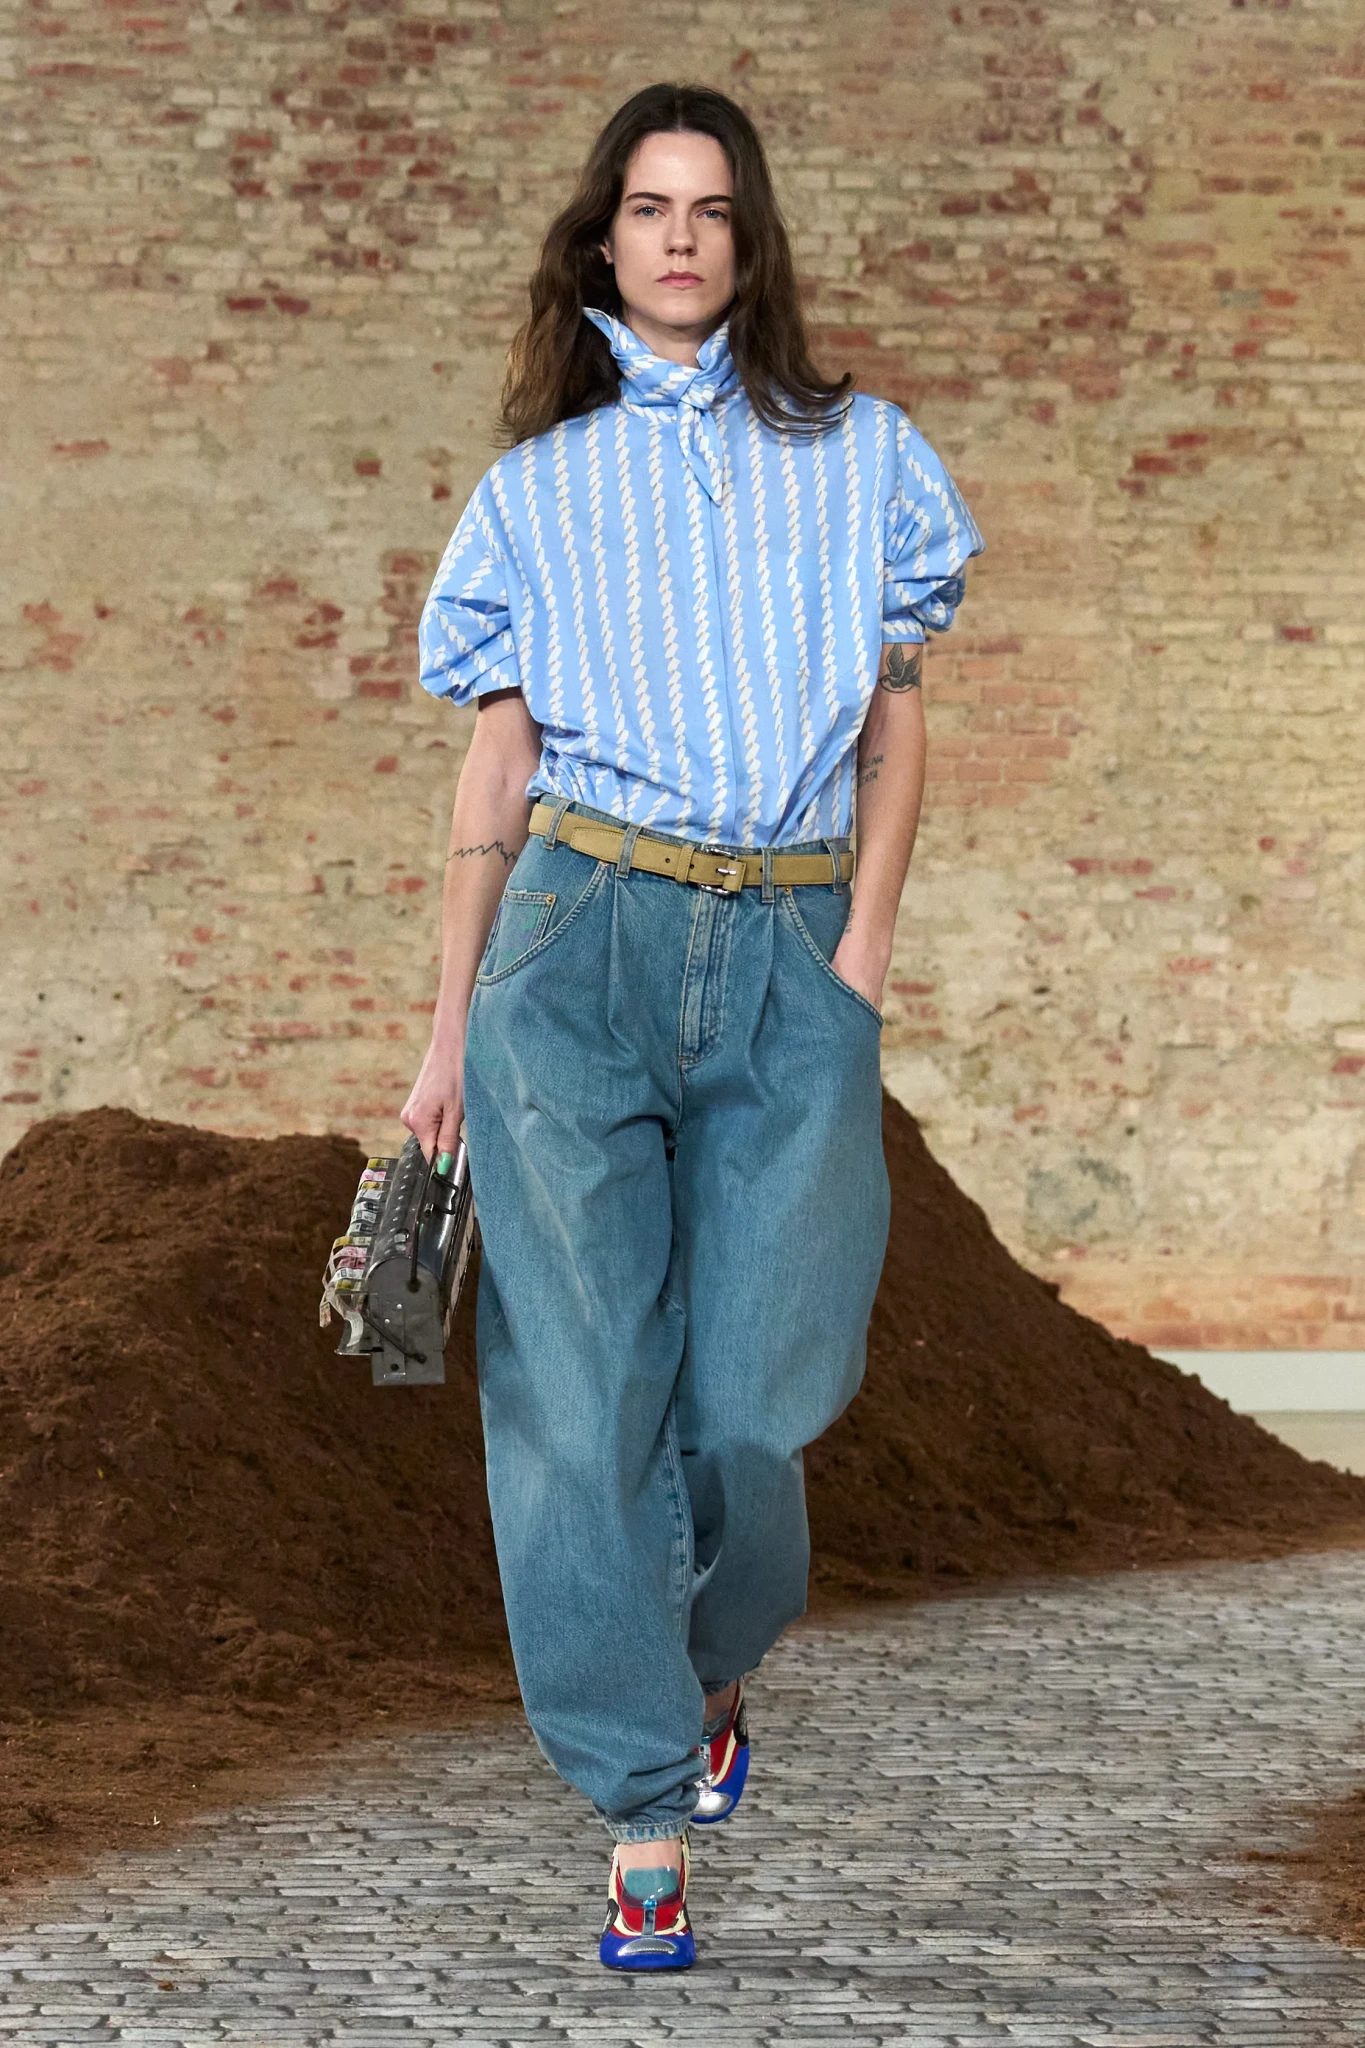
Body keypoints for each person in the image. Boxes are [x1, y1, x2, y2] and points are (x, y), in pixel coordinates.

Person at [401, 80, 984, 1972]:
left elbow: (894, 719)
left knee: (753, 1406)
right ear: (604, 239)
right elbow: (497, 771)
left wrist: (860, 953)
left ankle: (708, 1666)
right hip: (575, 945)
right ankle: (644, 1809)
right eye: (647, 207)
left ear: (748, 241)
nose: (677, 236)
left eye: (709, 209)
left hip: (791, 943)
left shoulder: (865, 457)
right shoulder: (536, 493)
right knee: (576, 1405)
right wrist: (445, 1031)